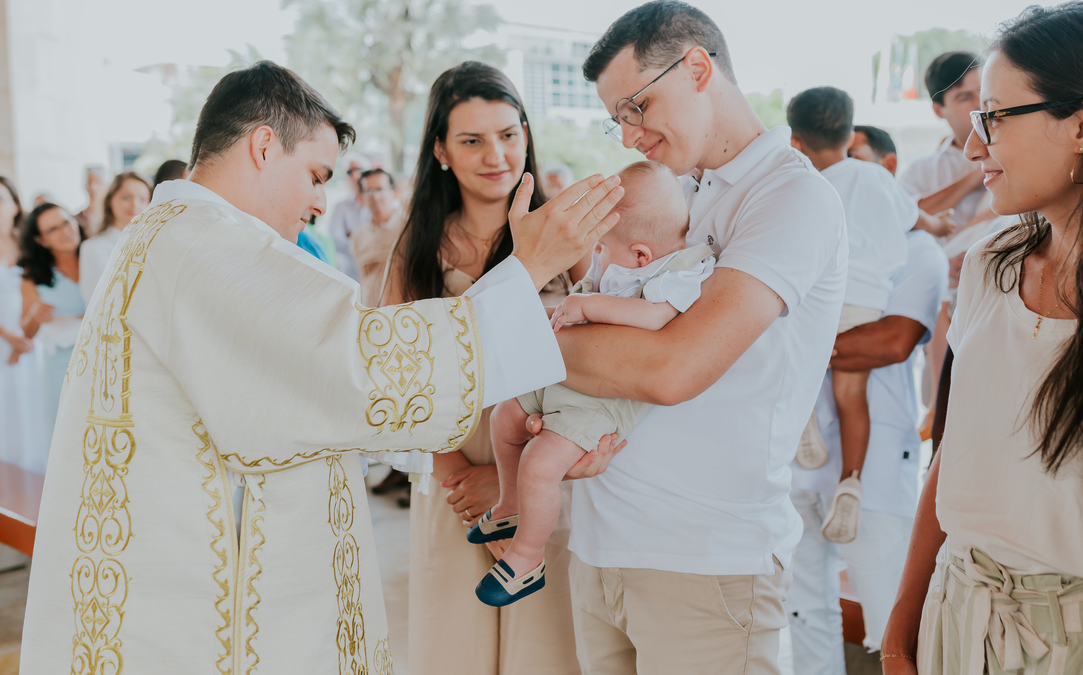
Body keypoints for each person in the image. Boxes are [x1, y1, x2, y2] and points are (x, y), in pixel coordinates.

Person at [19, 60, 623, 673]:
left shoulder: (176, 235)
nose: (318, 201)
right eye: (314, 175)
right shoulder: (202, 244)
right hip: (190, 615)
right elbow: (357, 368)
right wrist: (526, 270)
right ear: (262, 146)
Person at [882, 2, 1083, 675]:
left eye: (995, 118)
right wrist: (900, 632)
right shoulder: (991, 263)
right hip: (955, 618)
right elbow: (955, 455)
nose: (974, 147)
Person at [555, 0, 848, 675]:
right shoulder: (667, 194)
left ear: (696, 68)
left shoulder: (789, 197)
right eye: (616, 120)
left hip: (704, 559)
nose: (628, 136)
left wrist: (526, 347)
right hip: (600, 544)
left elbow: (672, 369)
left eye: (636, 107)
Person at [384, 60, 601, 675]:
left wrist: (514, 486)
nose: (495, 155)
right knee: (456, 650)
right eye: (472, 140)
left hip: (546, 476)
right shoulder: (414, 250)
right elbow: (394, 379)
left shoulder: (568, 236)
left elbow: (607, 360)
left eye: (508, 134)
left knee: (547, 652)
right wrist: (463, 480)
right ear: (441, 151)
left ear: (526, 134)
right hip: (450, 480)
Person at [473, 160, 716, 607]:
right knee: (504, 417)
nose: (595, 255)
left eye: (600, 246)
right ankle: (509, 505)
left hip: (604, 397)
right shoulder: (619, 264)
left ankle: (527, 557)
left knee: (539, 464)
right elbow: (578, 305)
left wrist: (587, 307)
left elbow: (654, 317)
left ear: (641, 255)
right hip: (566, 372)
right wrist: (555, 313)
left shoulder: (679, 273)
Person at [786, 138, 948, 675]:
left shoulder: (917, 250)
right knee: (804, 611)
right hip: (797, 459)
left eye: (854, 159)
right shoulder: (815, 240)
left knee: (888, 619)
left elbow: (893, 342)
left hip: (875, 468)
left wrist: (802, 345)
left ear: (887, 166)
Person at [787, 86, 951, 544]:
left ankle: (803, 418)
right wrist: (942, 224)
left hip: (819, 299)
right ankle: (852, 480)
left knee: (793, 357)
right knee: (851, 394)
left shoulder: (802, 186)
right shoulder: (876, 178)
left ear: (796, 141)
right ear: (848, 134)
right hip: (865, 304)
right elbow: (918, 219)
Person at [898, 52, 990, 402]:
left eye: (983, 91)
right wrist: (974, 176)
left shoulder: (1021, 155)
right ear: (939, 109)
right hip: (943, 299)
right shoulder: (922, 171)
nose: (979, 104)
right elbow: (902, 216)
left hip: (995, 294)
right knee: (944, 400)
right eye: (964, 97)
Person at [18, 203, 85, 438]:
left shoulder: (97, 256)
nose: (65, 231)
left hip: (104, 358)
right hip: (61, 367)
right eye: (53, 229)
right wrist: (35, 313)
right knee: (67, 433)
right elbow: (27, 331)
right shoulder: (33, 276)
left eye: (66, 222)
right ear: (41, 240)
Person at [0, 176, 46, 474]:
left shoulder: (29, 246)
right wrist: (10, 337)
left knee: (33, 402)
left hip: (33, 336)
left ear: (15, 205)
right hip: (4, 338)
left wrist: (24, 337)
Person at [78, 172, 153, 304]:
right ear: (110, 200)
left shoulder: (154, 243)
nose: (134, 205)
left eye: (142, 199)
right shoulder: (93, 247)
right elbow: (92, 301)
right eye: (126, 197)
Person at [351, 168, 404, 308]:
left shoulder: (410, 229)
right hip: (372, 314)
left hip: (405, 314)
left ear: (395, 193)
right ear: (361, 197)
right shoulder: (358, 237)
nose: (375, 196)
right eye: (369, 191)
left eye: (380, 189)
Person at [328, 152, 371, 279]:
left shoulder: (378, 202)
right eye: (350, 172)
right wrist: (367, 247)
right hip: (349, 274)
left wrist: (352, 236)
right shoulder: (340, 207)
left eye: (359, 169)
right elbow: (336, 240)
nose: (355, 175)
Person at [74, 165, 106, 237]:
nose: (93, 187)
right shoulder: (78, 218)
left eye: (98, 182)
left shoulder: (114, 217)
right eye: (89, 182)